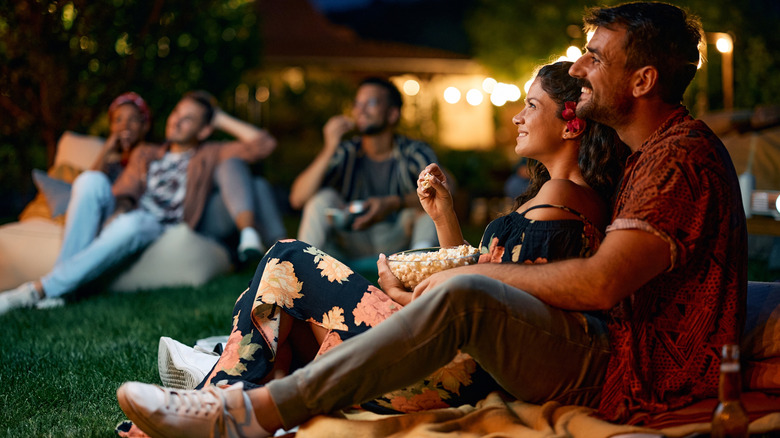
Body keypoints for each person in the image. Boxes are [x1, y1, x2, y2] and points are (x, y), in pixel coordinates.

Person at [116, 2, 747, 435]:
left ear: (642, 79)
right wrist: (448, 257)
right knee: (346, 279)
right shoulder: (652, 157)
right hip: (603, 353)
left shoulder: (676, 160)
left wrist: (456, 280)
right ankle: (225, 392)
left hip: (620, 370)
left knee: (441, 290)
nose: (578, 67)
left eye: (594, 57)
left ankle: (239, 410)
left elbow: (599, 282)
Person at [0, 91, 278, 315]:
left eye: (189, 119)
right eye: (177, 113)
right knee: (90, 182)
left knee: (134, 222)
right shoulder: (146, 152)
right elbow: (126, 190)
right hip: (130, 213)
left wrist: (219, 118)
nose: (177, 121)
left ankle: (36, 291)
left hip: (155, 223)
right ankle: (63, 288)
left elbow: (264, 146)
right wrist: (116, 213)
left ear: (204, 130)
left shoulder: (210, 152)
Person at [289, 77, 439, 266]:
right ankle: (303, 271)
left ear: (393, 114)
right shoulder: (346, 152)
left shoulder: (414, 152)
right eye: (357, 104)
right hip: (350, 240)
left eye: (371, 102)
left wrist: (392, 203)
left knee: (429, 208)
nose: (360, 110)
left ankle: (422, 271)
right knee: (323, 198)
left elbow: (444, 191)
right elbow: (297, 199)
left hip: (399, 243)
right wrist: (329, 147)